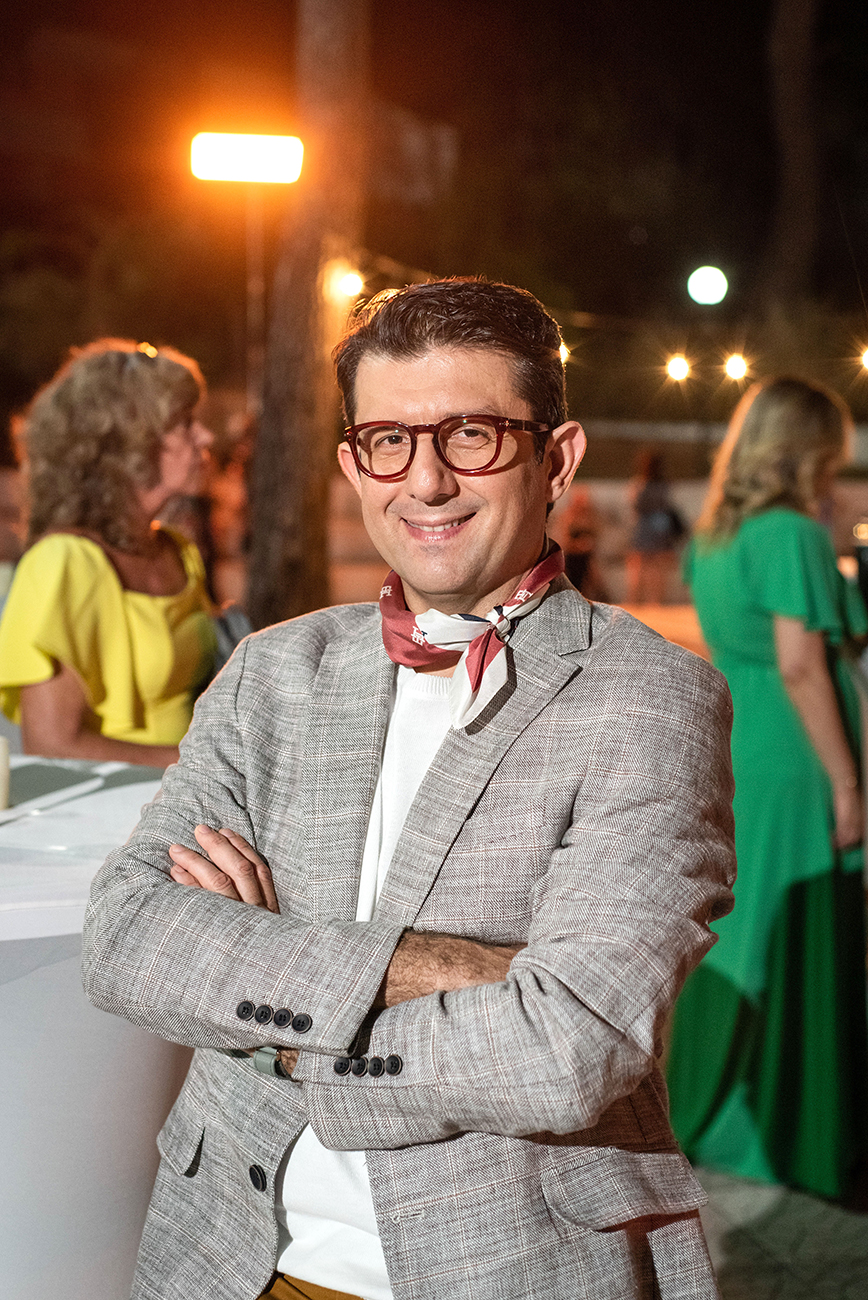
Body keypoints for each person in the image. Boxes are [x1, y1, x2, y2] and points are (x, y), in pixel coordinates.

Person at [82, 279, 736, 1300]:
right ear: (353, 463)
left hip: (508, 1265)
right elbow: (126, 937)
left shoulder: (651, 697)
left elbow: (570, 1046)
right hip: (226, 1256)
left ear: (558, 459)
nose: (425, 481)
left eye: (471, 435)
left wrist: (274, 1018)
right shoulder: (271, 671)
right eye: (388, 440)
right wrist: (429, 964)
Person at [666, 376, 868, 1202]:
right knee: (803, 932)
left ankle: (714, 1110)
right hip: (796, 755)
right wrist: (847, 781)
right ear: (805, 448)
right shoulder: (789, 533)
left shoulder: (718, 534)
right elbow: (801, 665)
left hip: (742, 741)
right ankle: (795, 1131)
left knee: (744, 932)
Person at [0, 339, 216, 767]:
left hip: (197, 792)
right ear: (132, 441)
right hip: (121, 802)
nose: (205, 436)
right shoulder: (64, 562)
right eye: (185, 422)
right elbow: (52, 745)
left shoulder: (178, 550)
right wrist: (200, 765)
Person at [624, 450, 685, 604]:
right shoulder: (665, 485)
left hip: (642, 528)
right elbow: (667, 505)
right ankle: (655, 601)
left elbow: (635, 506)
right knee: (657, 567)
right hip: (660, 528)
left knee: (638, 565)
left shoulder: (639, 484)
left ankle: (634, 600)